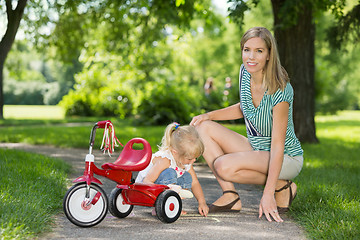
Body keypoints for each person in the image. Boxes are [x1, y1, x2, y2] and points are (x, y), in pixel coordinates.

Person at [190, 27, 303, 222]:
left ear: (269, 55)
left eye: (259, 51)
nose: (251, 56)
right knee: (202, 127)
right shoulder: (245, 73)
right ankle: (230, 196)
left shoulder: (281, 90)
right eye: (246, 49)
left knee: (223, 166)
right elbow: (245, 107)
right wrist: (209, 115)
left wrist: (267, 194)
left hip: (286, 157)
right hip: (257, 148)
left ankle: (281, 186)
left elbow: (277, 146)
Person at [135, 122, 209, 217]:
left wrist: (202, 202)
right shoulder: (165, 160)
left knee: (187, 176)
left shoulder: (185, 162)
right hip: (145, 190)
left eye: (196, 158)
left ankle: (172, 205)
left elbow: (194, 182)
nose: (193, 161)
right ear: (175, 152)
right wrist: (168, 192)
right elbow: (147, 181)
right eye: (190, 159)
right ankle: (160, 207)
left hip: (164, 190)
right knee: (170, 173)